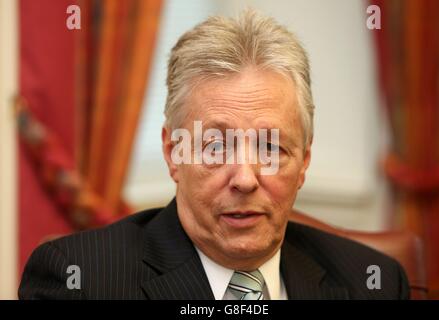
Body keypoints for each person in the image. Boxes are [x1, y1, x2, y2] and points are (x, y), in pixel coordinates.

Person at [19, 9, 409, 300]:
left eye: (271, 147)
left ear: (304, 161)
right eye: (216, 147)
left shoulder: (374, 282)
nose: (244, 178)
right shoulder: (80, 281)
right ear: (174, 154)